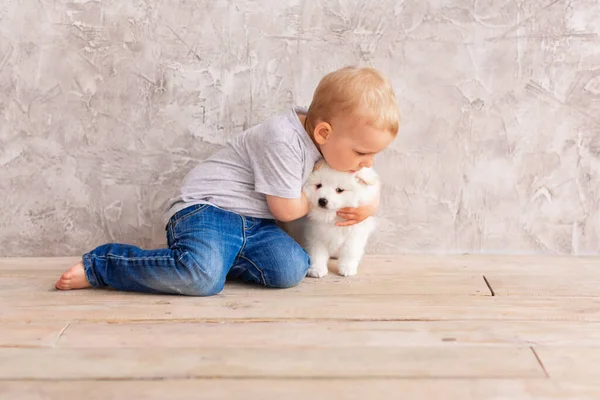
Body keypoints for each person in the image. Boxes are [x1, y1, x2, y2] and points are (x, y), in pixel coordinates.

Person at [54, 66, 400, 296]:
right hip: (208, 209)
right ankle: (103, 266)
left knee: (289, 269)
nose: (366, 163)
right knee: (201, 278)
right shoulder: (283, 138)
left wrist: (368, 204)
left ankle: (208, 258)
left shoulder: (329, 147)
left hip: (255, 223)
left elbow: (366, 185)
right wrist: (332, 197)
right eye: (362, 153)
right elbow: (286, 208)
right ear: (324, 132)